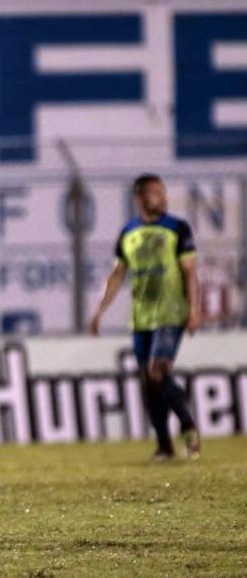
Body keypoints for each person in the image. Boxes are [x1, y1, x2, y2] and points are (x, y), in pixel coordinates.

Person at [89, 174, 202, 461]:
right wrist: (99, 311)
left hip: (171, 313)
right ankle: (164, 446)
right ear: (138, 198)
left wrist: (195, 309)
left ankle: (188, 425)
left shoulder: (177, 228)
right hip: (141, 318)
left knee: (157, 371)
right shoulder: (129, 232)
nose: (161, 197)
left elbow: (190, 272)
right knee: (148, 382)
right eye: (154, 193)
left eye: (163, 192)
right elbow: (117, 275)